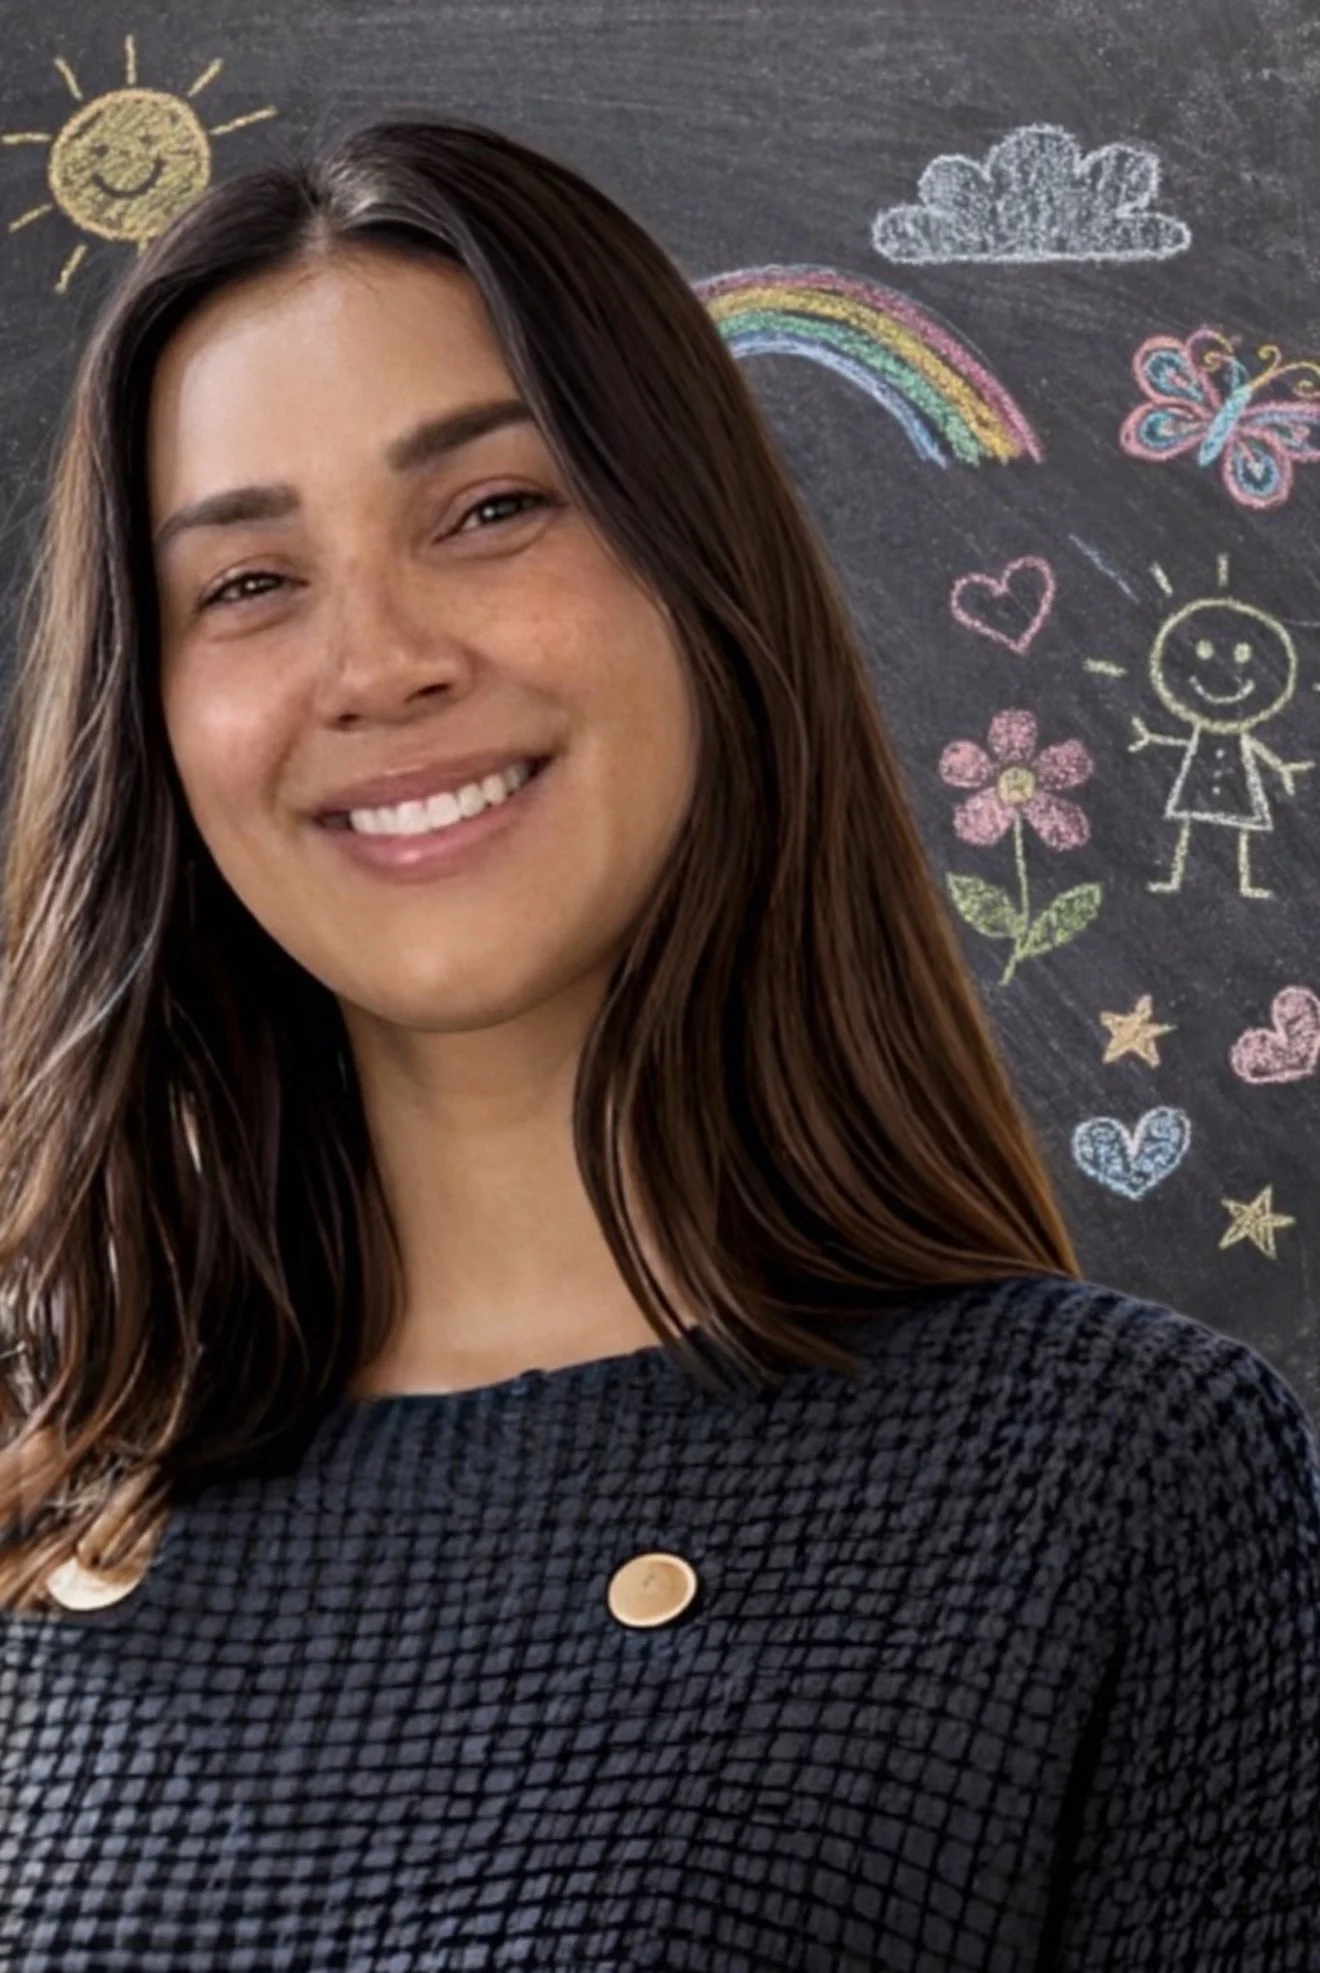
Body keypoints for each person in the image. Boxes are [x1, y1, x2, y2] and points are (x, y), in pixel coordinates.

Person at [0, 114, 1316, 1971]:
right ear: (156, 718)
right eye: (248, 582)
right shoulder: (40, 1490)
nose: (377, 664)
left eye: (490, 510)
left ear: (704, 579)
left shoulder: (1108, 1477)